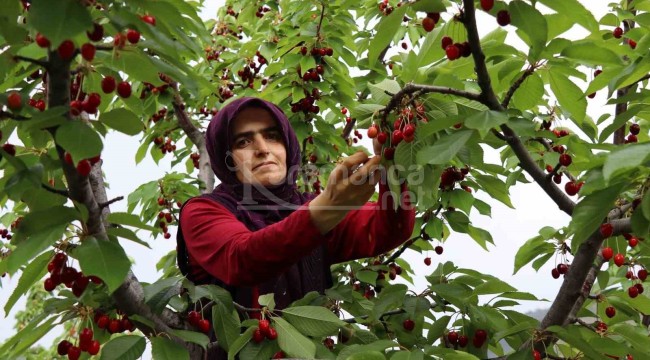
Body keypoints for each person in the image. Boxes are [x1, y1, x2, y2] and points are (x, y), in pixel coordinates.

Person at [176, 96, 415, 314]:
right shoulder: (202, 211)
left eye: (272, 136)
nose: (262, 149)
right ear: (224, 158)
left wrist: (391, 164)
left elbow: (388, 229)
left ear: (288, 145)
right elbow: (242, 258)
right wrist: (327, 209)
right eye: (243, 141)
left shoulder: (307, 204)